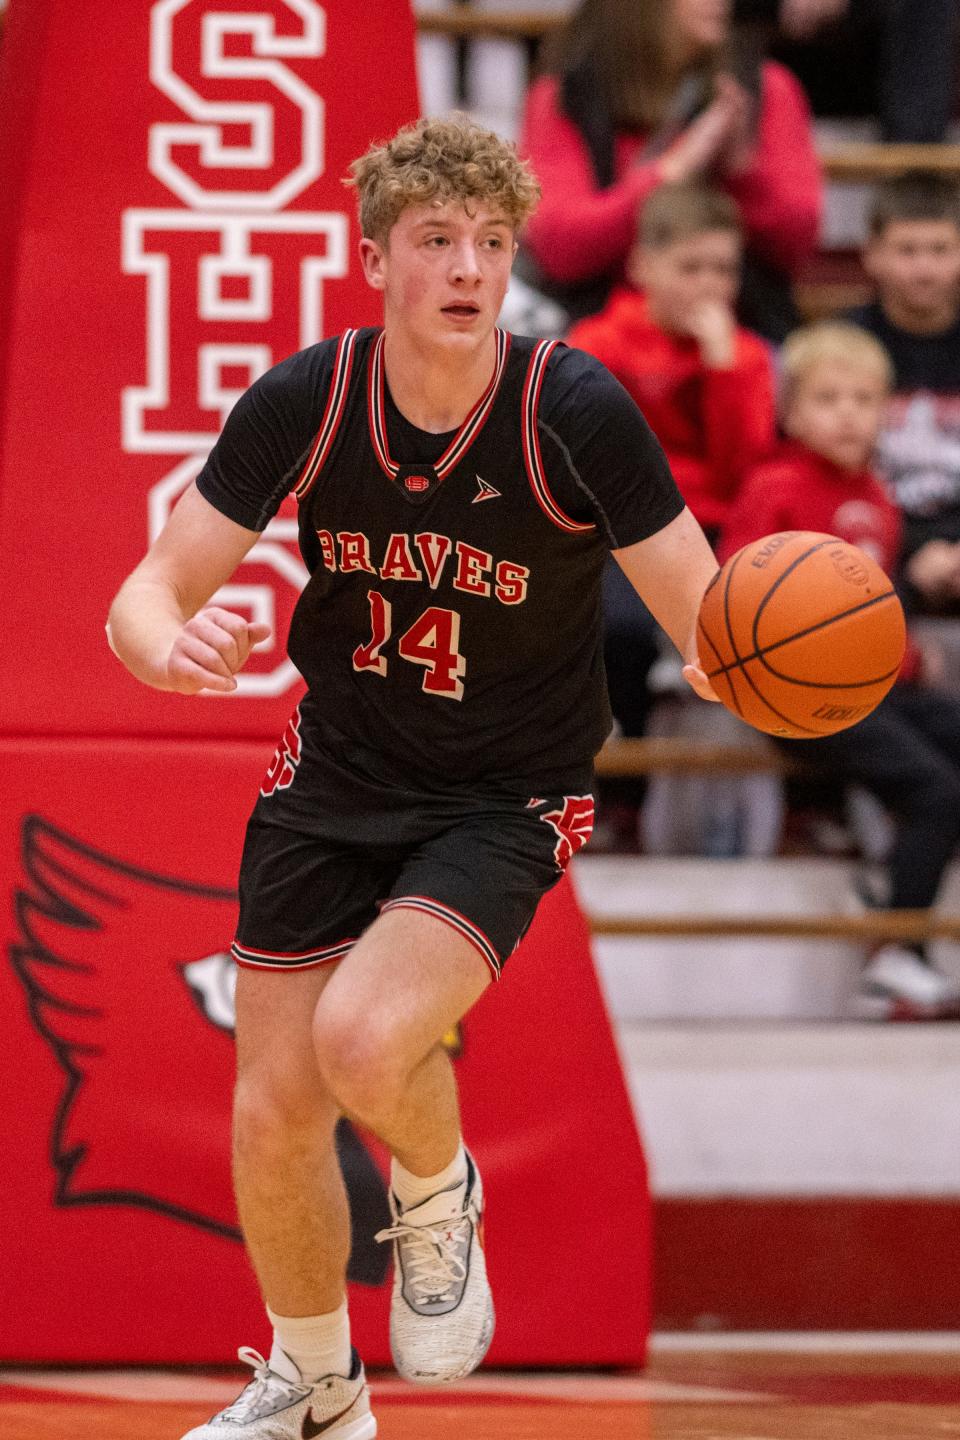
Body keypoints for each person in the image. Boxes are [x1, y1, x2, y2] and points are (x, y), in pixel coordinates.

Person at [107, 114, 721, 1440]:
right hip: (335, 771)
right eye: (437, 240)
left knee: (367, 1040)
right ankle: (317, 1391)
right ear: (376, 255)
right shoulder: (308, 400)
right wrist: (171, 648)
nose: (468, 266)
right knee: (273, 1117)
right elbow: (148, 593)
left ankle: (439, 1196)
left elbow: (709, 615)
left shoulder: (572, 406)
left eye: (492, 244)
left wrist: (753, 663)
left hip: (506, 792)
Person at [722, 320, 960, 1021]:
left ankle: (891, 894)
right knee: (938, 793)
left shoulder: (878, 496)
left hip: (871, 687)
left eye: (865, 399)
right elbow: (737, 593)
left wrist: (909, 653)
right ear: (792, 413)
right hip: (797, 692)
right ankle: (894, 957)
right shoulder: (776, 488)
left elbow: (875, 604)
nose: (850, 414)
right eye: (829, 399)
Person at [517, 0, 822, 341]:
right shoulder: (563, 95)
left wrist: (740, 167)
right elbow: (560, 246)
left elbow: (797, 244)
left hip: (739, 333)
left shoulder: (763, 87)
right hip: (602, 336)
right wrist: (671, 171)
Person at [568, 182, 776, 541]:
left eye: (724, 270)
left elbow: (742, 474)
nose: (710, 285)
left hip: (715, 529)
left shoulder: (747, 356)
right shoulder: (598, 343)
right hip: (619, 526)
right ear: (641, 266)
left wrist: (723, 370)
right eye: (690, 268)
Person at [845, 171, 960, 618]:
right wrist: (912, 550)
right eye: (907, 250)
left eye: (940, 250)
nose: (924, 267)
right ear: (872, 255)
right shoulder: (843, 343)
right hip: (873, 538)